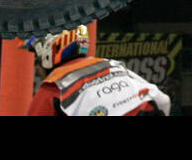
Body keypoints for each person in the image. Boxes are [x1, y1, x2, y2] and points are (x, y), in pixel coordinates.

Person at [24, 26, 170, 116]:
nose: (37, 67)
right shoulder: (111, 65)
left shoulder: (54, 85)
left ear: (48, 52)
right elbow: (163, 100)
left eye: (37, 59)